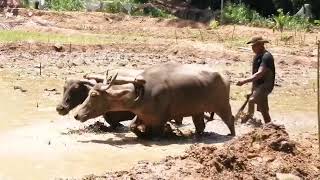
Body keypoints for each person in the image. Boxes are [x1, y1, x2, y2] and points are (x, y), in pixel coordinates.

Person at [236, 36, 275, 123]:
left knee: (252, 100)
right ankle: (269, 126)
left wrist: (244, 81)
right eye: (252, 46)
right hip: (258, 85)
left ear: (261, 45)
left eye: (254, 46)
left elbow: (259, 74)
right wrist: (253, 90)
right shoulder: (257, 56)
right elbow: (254, 74)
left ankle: (248, 119)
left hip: (266, 85)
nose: (252, 48)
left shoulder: (267, 57)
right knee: (264, 110)